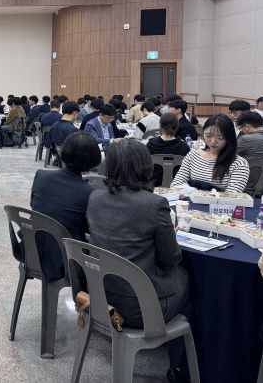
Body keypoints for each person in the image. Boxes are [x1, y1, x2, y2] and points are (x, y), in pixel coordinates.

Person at [86, 139, 191, 383]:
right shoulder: (154, 204)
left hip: (101, 299)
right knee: (189, 282)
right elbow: (171, 258)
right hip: (140, 310)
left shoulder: (95, 198)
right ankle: (180, 366)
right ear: (146, 166)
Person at [28, 132, 101, 280]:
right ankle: (85, 298)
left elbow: (34, 204)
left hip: (29, 248)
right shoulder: (88, 192)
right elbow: (90, 229)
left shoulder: (41, 175)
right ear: (93, 159)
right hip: (64, 259)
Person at [171, 113, 249, 192]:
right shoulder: (193, 155)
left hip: (219, 204)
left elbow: (232, 197)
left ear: (229, 137)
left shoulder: (239, 164)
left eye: (220, 137)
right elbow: (176, 184)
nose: (213, 141)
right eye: (208, 136)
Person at [236, 111, 263, 197]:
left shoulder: (245, 139)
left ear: (247, 126)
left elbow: (226, 158)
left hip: (242, 190)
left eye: (241, 129)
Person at [146, 113, 191, 187]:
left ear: (160, 126)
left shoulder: (151, 145)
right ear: (177, 127)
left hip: (154, 186)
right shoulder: (184, 147)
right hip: (177, 187)